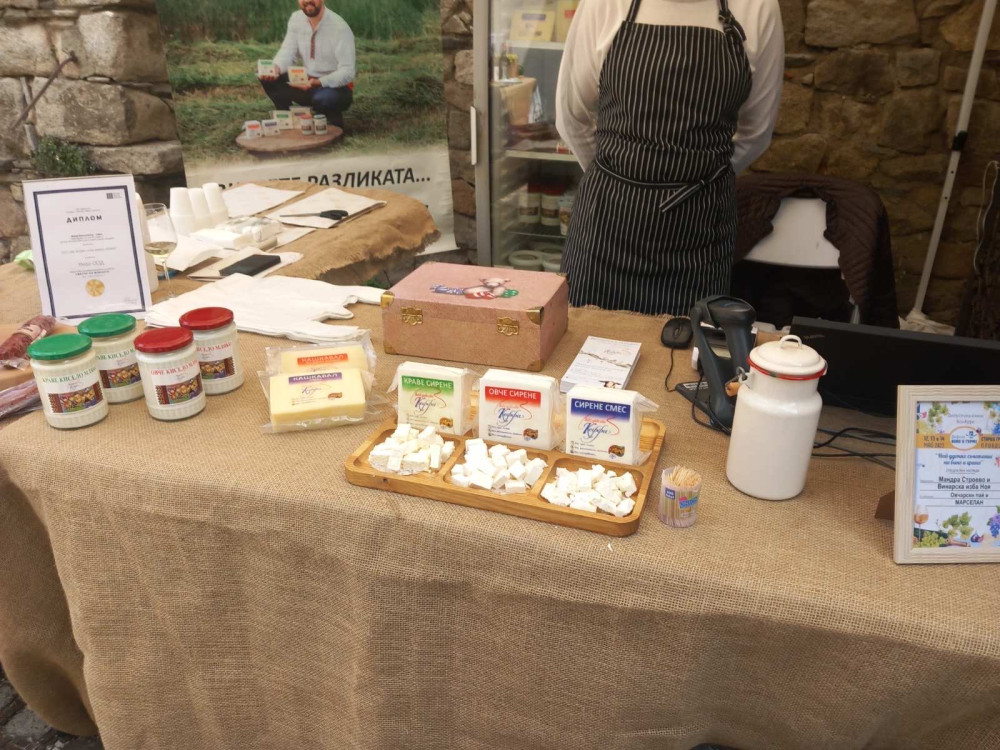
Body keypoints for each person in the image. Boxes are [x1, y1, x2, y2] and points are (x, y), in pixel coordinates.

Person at [555, 0, 784, 315]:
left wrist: (701, 180)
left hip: (699, 241)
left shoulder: (757, 7)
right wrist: (616, 176)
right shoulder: (605, 4)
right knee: (586, 339)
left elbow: (756, 133)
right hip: (603, 232)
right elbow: (571, 117)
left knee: (689, 343)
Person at [258, 0, 356, 128]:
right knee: (268, 75)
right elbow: (288, 52)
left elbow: (348, 71)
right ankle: (286, 119)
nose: (308, 0)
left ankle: (333, 123)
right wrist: (276, 68)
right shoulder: (296, 18)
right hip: (306, 82)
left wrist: (319, 82)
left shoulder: (339, 27)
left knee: (323, 99)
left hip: (336, 88)